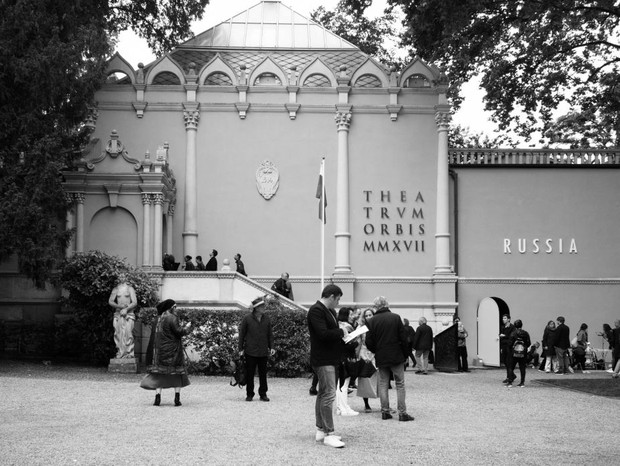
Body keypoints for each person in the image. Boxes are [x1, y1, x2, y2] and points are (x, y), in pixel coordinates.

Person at [307, 284, 347, 448]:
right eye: (338, 299)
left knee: (323, 394)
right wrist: (341, 332)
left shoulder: (329, 311)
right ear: (331, 296)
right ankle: (328, 433)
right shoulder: (316, 310)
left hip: (329, 358)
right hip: (323, 359)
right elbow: (322, 334)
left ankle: (321, 430)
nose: (338, 303)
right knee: (329, 395)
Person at [365, 296, 414, 422]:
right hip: (396, 355)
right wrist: (405, 354)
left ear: (376, 306)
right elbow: (403, 339)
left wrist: (376, 350)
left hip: (381, 355)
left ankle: (385, 411)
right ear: (386, 304)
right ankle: (402, 413)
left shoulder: (372, 321)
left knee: (383, 384)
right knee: (400, 384)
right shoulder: (396, 317)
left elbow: (368, 342)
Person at [140, 299, 191, 406]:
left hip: (158, 353)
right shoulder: (172, 318)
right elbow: (179, 332)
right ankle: (177, 400)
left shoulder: (157, 319)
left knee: (159, 376)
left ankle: (157, 398)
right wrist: (187, 328)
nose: (176, 309)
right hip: (173, 351)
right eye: (175, 306)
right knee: (177, 375)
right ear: (170, 307)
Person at [238, 296, 274, 402]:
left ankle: (263, 394)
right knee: (250, 374)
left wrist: (272, 347)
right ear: (256, 308)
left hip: (263, 351)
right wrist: (240, 348)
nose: (264, 308)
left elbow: (270, 334)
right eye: (262, 306)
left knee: (263, 374)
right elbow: (242, 334)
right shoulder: (247, 319)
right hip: (250, 351)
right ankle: (250, 394)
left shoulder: (266, 319)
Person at [335, 307, 359, 416]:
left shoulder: (338, 325)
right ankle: (343, 408)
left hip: (339, 357)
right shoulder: (346, 327)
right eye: (350, 315)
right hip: (346, 357)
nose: (351, 317)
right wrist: (356, 342)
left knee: (340, 384)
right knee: (344, 385)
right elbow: (346, 344)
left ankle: (341, 407)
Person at [108, 274, 137, 359]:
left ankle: (129, 353)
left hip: (129, 314)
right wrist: (120, 307)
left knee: (128, 334)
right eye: (120, 276)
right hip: (118, 314)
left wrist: (126, 309)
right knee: (118, 334)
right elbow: (110, 301)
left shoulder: (130, 289)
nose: (121, 278)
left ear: (126, 278)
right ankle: (120, 352)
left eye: (123, 276)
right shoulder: (116, 289)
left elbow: (134, 302)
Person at [356, 308, 378, 412]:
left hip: (376, 354)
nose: (369, 317)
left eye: (370, 315)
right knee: (365, 379)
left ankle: (384, 403)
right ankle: (366, 404)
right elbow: (358, 342)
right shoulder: (361, 327)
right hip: (364, 353)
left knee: (380, 379)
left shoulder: (377, 325)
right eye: (367, 315)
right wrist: (362, 356)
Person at [507, 319, 531, 387]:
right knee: (522, 368)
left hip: (514, 353)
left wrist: (510, 350)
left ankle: (510, 382)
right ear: (521, 325)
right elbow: (529, 343)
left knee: (511, 367)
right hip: (523, 353)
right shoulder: (526, 333)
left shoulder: (513, 333)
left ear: (515, 325)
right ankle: (522, 383)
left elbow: (509, 344)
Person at [499, 314, 516, 383]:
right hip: (504, 346)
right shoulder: (503, 327)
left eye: (505, 318)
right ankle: (511, 375)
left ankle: (509, 377)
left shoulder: (512, 327)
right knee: (505, 361)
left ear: (509, 319)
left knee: (509, 362)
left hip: (509, 347)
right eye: (503, 318)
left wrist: (504, 336)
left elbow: (512, 337)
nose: (503, 319)